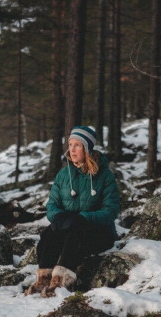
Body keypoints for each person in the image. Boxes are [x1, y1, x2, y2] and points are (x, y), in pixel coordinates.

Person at [25, 125, 120, 298]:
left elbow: (111, 211)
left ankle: (60, 284)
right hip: (69, 227)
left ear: (87, 148)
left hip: (98, 232)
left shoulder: (105, 176)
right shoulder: (63, 174)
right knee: (49, 234)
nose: (72, 149)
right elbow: (52, 205)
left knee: (76, 231)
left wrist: (84, 217)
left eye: (78, 145)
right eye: (71, 144)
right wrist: (59, 217)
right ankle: (43, 280)